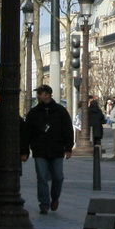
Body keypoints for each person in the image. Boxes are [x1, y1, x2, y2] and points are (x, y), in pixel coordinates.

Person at [22, 84, 75, 214]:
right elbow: (26, 133)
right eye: (38, 93)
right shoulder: (33, 113)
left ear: (48, 95)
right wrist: (24, 151)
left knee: (58, 177)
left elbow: (68, 130)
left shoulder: (60, 111)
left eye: (40, 93)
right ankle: (44, 204)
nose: (38, 96)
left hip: (57, 150)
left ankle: (55, 197)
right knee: (42, 177)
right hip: (39, 150)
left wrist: (68, 148)